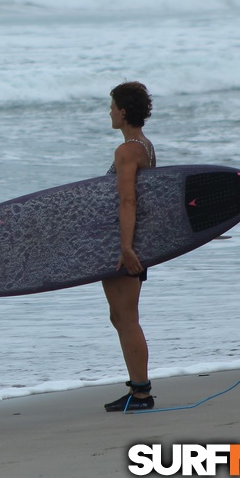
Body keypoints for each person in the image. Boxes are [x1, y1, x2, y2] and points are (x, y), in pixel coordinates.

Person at [102, 81, 156, 412]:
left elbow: (128, 199)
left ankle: (141, 393)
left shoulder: (127, 150)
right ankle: (138, 388)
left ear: (123, 112)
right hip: (136, 242)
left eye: (111, 107)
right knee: (121, 316)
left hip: (127, 245)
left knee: (127, 317)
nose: (108, 112)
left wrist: (125, 247)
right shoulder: (145, 146)